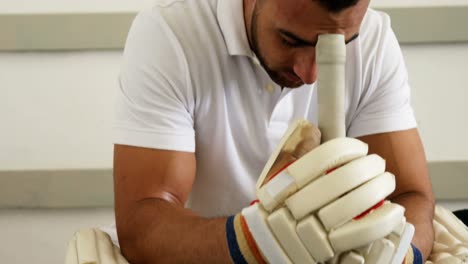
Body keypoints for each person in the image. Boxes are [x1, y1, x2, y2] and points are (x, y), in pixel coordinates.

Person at [108, 0, 435, 262]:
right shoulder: (171, 36)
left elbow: (410, 195)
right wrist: (254, 242)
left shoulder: (375, 40)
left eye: (340, 45)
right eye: (289, 40)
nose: (310, 74)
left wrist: (398, 253)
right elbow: (142, 223)